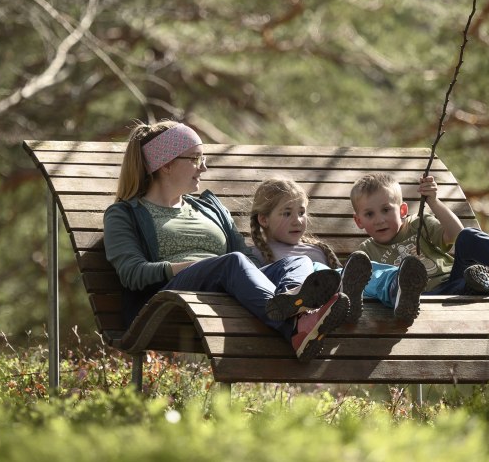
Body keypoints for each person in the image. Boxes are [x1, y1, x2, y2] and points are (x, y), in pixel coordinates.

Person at [103, 120, 351, 362]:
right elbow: (132, 273)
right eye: (196, 159)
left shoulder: (210, 208)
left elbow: (247, 260)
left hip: (226, 283)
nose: (204, 168)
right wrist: (192, 266)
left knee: (297, 262)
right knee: (232, 262)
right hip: (167, 298)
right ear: (167, 165)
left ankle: (292, 306)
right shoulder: (125, 214)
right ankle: (294, 327)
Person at [350, 173, 489, 296]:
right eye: (369, 214)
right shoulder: (365, 253)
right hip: (422, 299)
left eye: (386, 210)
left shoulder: (418, 224)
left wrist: (433, 202)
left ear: (403, 210)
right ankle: (485, 283)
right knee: (469, 282)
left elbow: (455, 234)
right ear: (359, 221)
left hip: (454, 279)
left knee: (468, 236)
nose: (379, 219)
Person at [249, 178, 428, 322]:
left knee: (358, 271)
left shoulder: (316, 248)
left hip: (337, 290)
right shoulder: (257, 254)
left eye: (302, 212)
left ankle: (395, 286)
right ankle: (346, 298)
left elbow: (352, 278)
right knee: (321, 272)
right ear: (264, 219)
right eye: (287, 213)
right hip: (306, 302)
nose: (298, 220)